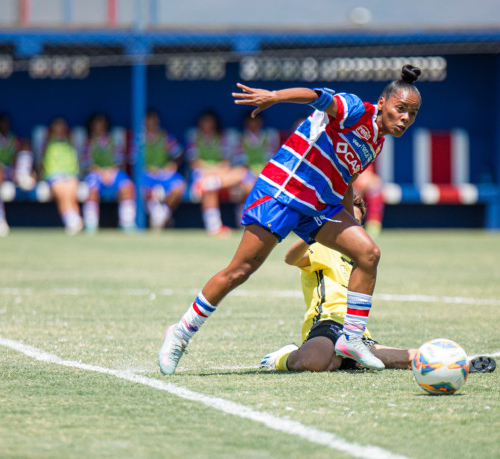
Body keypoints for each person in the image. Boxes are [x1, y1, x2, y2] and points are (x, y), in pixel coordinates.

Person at [159, 65, 423, 375]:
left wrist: (352, 220)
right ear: (382, 103)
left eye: (412, 114)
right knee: (240, 270)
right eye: (400, 108)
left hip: (319, 205)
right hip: (282, 191)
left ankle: (352, 339)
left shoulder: (376, 141)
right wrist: (275, 96)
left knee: (368, 253)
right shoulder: (356, 110)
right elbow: (316, 96)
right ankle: (180, 334)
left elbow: (347, 178)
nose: (405, 118)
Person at [260, 195, 496, 374]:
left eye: (355, 224)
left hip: (355, 331)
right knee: (314, 362)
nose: (348, 229)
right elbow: (291, 259)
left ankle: (457, 364)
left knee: (403, 358)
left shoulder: (362, 258)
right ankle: (284, 356)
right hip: (327, 322)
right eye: (341, 223)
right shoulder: (322, 246)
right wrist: (313, 233)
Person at [185, 110, 249, 237]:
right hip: (200, 174)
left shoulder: (222, 138)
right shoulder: (194, 137)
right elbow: (194, 162)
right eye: (204, 121)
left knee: (241, 174)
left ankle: (245, 224)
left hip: (218, 174)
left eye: (210, 122)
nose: (207, 125)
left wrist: (215, 172)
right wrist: (211, 170)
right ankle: (214, 227)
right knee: (210, 185)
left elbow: (225, 163)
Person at [0, 112, 35, 236]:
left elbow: (16, 158)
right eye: (1, 123)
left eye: (5, 123)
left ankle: (23, 176)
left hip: (10, 172)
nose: (3, 126)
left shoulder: (13, 139)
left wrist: (16, 171)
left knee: (26, 145)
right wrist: (6, 170)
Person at [81, 113, 136, 233]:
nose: (99, 127)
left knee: (127, 185)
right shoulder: (88, 142)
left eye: (102, 124)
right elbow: (87, 164)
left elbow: (119, 160)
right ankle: (91, 225)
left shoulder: (114, 141)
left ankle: (127, 223)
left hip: (114, 172)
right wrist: (102, 172)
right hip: (95, 173)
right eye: (96, 124)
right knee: (92, 188)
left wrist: (110, 172)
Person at [141, 110, 186, 230]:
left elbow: (178, 154)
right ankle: (156, 212)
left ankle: (162, 213)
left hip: (163, 174)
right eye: (148, 121)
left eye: (154, 121)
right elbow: (131, 160)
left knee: (179, 186)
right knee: (142, 188)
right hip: (146, 174)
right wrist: (147, 168)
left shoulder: (164, 136)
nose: (152, 124)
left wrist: (173, 164)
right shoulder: (138, 138)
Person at [41, 117, 83, 235]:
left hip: (70, 174)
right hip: (54, 175)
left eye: (62, 126)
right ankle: (71, 220)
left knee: (71, 192)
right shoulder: (48, 142)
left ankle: (74, 219)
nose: (59, 129)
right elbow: (42, 160)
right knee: (62, 192)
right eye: (56, 126)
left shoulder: (70, 141)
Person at [352, 164, 385, 238]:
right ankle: (348, 224)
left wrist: (364, 175)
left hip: (360, 175)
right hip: (339, 176)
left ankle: (373, 223)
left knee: (375, 186)